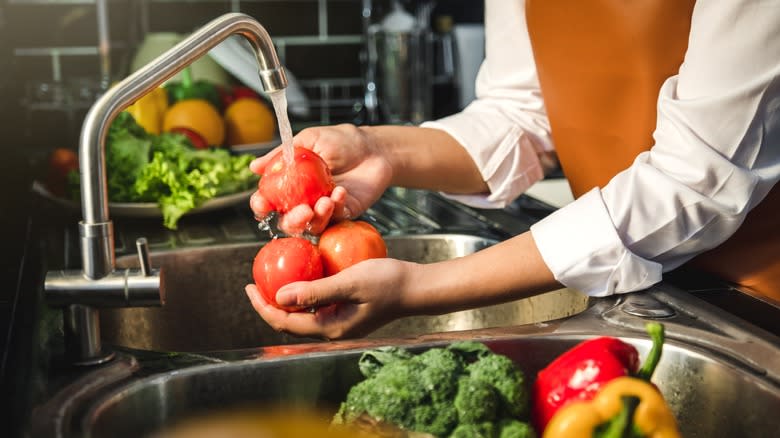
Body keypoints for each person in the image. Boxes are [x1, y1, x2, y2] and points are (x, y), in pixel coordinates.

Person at [245, 0, 780, 340]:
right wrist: (379, 149)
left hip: (756, 308)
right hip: (635, 296)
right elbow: (520, 114)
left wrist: (421, 289)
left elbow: (694, 180)